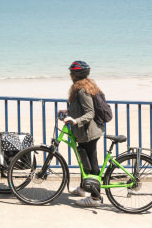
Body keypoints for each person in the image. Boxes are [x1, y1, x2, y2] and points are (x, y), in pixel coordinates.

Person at [62, 60, 105, 207]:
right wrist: (68, 113)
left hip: (89, 133)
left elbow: (90, 112)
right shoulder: (83, 86)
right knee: (84, 161)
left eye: (71, 73)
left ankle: (95, 198)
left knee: (92, 166)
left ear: (75, 75)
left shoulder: (82, 90)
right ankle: (82, 189)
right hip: (84, 132)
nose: (70, 75)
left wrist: (75, 121)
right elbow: (81, 109)